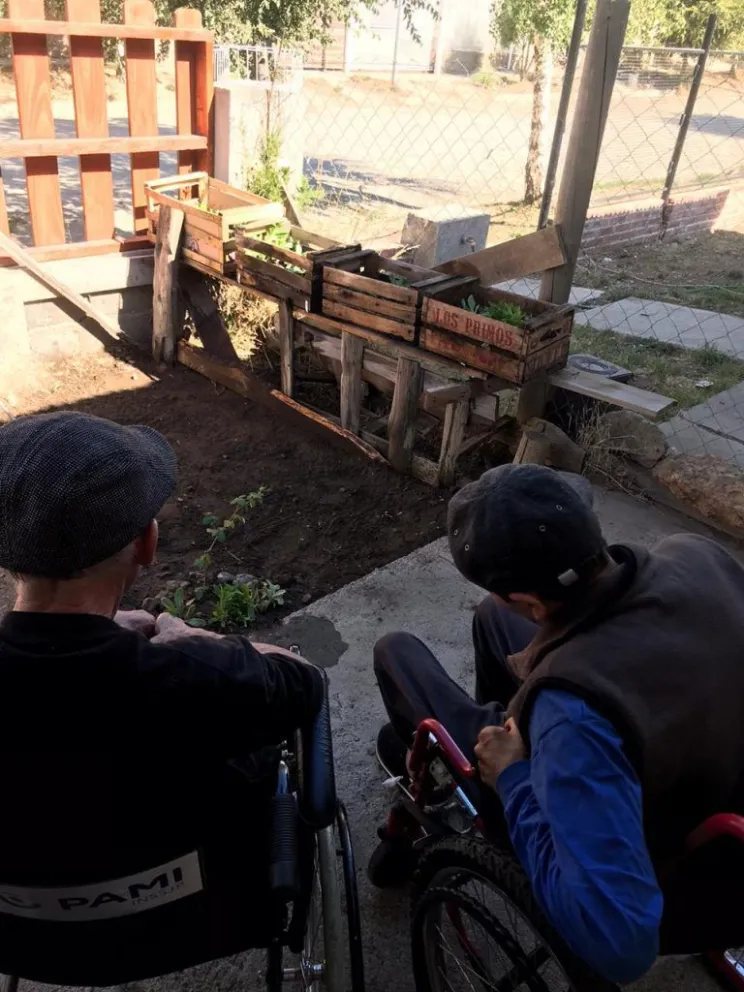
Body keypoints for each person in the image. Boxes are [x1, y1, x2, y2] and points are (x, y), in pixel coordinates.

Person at [373, 463, 744, 984]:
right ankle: (509, 723)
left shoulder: (574, 719)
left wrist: (516, 780)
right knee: (488, 617)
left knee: (397, 653)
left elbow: (622, 947)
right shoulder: (696, 554)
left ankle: (483, 781)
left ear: (530, 602)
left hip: (673, 867)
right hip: (716, 787)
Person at [0, 411, 324, 882]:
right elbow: (305, 681)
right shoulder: (202, 678)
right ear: (148, 544)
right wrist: (195, 640)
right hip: (193, 917)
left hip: (32, 933)